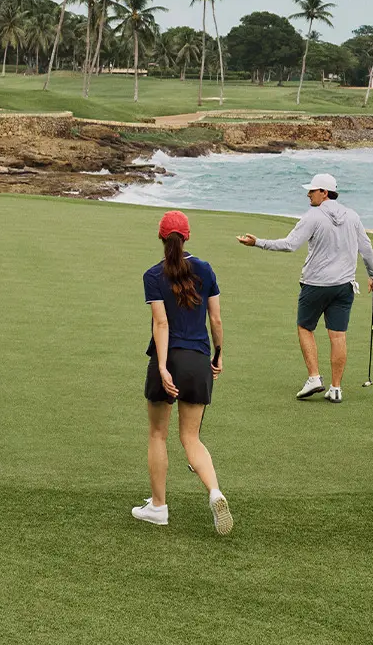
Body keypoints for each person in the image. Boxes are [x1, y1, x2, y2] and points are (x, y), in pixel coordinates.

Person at [236, 173, 373, 404]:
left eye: (312, 191)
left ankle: (314, 378)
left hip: (315, 285)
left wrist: (258, 243)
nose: (308, 194)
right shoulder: (352, 216)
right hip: (344, 287)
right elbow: (367, 248)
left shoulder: (313, 216)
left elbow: (290, 245)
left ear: (324, 192)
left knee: (305, 327)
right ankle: (336, 388)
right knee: (338, 335)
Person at [132, 211, 233, 535]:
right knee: (191, 437)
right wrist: (218, 354)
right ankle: (214, 491)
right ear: (187, 237)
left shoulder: (153, 275)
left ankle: (158, 507)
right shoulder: (205, 269)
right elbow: (215, 319)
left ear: (162, 238)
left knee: (157, 434)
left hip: (169, 359)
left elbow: (161, 323)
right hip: (199, 361)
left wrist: (162, 367)